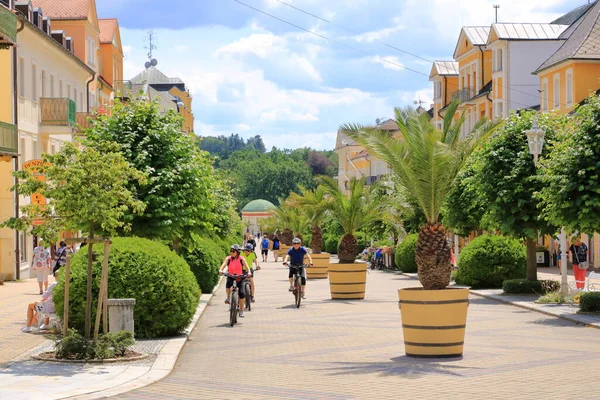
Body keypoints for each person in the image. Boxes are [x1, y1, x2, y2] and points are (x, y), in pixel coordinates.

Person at [218, 244, 251, 318]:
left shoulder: (241, 259)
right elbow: (223, 265)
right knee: (227, 286)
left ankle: (241, 311)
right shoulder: (228, 258)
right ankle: (228, 297)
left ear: (237, 252)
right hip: (231, 276)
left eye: (233, 251)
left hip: (240, 277)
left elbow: (247, 267)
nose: (231, 252)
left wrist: (249, 272)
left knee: (242, 294)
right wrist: (221, 270)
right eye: (230, 251)